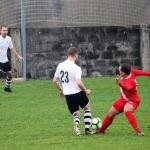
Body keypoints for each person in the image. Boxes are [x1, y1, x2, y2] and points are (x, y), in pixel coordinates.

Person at [97, 64, 150, 136]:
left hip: (133, 100)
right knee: (110, 114)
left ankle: (138, 132)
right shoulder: (131, 72)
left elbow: (128, 88)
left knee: (127, 110)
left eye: (120, 70)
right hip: (123, 99)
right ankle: (101, 131)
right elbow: (145, 73)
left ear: (123, 73)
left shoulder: (130, 81)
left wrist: (120, 84)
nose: (118, 70)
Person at [53, 47, 93, 136]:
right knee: (87, 107)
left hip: (68, 95)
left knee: (76, 113)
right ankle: (88, 129)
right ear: (75, 55)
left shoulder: (60, 65)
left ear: (68, 55)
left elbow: (55, 80)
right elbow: (78, 82)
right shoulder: (76, 68)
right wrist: (85, 90)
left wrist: (61, 90)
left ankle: (76, 126)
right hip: (78, 92)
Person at [0, 24, 23, 92]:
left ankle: (7, 88)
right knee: (2, 73)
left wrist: (18, 56)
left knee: (9, 76)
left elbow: (12, 48)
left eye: (6, 30)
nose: (5, 32)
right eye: (3, 30)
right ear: (0, 31)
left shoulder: (9, 39)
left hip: (5, 60)